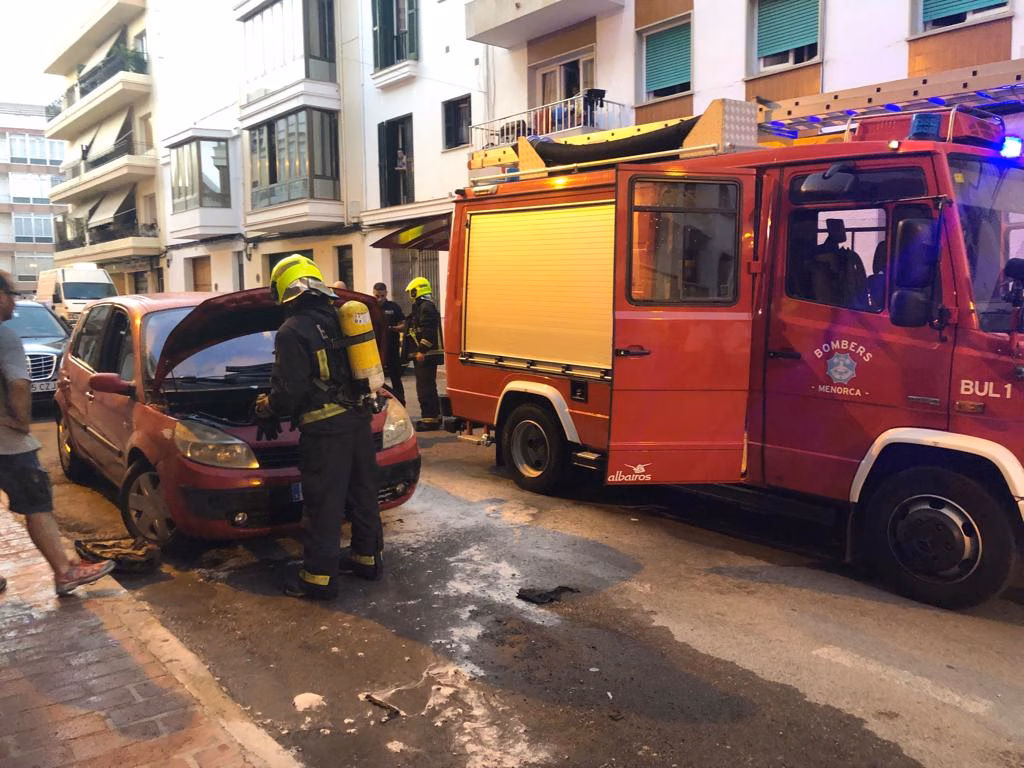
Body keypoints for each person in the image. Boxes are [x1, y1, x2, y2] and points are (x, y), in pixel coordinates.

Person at [255, 255, 383, 599]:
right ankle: (367, 559)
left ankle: (318, 578)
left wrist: (268, 408)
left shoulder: (292, 330)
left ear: (285, 290)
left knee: (323, 505)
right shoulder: (341, 317)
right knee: (362, 495)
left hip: (325, 432)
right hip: (359, 421)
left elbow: (289, 391)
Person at [0, 270, 114, 597]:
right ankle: (64, 572)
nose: (14, 302)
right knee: (37, 504)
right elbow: (19, 383)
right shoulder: (4, 336)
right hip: (8, 445)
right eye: (10, 294)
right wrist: (22, 422)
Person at [404, 276, 443, 431]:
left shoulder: (426, 307)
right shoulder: (422, 306)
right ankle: (433, 417)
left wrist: (421, 350)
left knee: (425, 389)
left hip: (426, 355)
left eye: (411, 291)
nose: (409, 294)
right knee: (427, 387)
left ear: (416, 290)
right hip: (426, 354)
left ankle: (430, 421)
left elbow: (428, 331)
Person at [372, 282, 406, 405]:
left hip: (392, 350)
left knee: (396, 378)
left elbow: (404, 325)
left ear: (386, 293)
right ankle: (378, 405)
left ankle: (401, 403)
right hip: (375, 351)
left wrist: (394, 328)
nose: (380, 299)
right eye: (377, 296)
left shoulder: (393, 307)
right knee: (375, 381)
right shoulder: (370, 308)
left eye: (382, 295)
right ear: (373, 294)